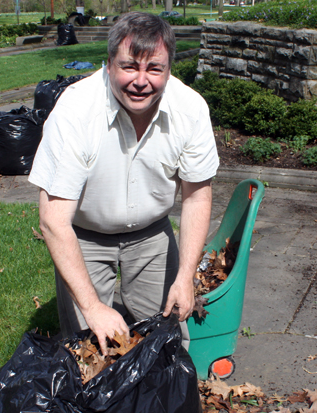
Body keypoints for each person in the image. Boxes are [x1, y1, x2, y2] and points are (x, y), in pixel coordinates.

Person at [28, 12, 219, 355]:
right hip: (84, 235)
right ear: (108, 64)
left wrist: (185, 276)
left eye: (154, 69)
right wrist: (92, 307)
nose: (141, 81)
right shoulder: (75, 111)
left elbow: (196, 198)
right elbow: (53, 221)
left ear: (169, 68)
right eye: (129, 66)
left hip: (152, 235)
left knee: (167, 340)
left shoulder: (190, 110)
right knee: (88, 346)